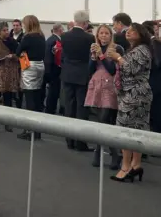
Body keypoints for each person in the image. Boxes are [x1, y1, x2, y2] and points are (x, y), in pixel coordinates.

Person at [106, 23, 152, 183]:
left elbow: (132, 69)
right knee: (137, 128)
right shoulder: (136, 49)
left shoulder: (142, 50)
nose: (128, 33)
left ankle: (126, 166)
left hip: (134, 94)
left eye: (133, 31)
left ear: (141, 34)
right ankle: (135, 165)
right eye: (128, 31)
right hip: (135, 93)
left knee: (126, 129)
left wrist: (118, 58)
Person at [85, 25, 124, 170]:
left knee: (104, 119)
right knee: (101, 121)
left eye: (106, 33)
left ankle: (108, 152)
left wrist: (101, 54)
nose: (103, 36)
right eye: (101, 33)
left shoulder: (116, 48)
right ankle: (108, 152)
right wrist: (93, 57)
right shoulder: (94, 47)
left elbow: (113, 69)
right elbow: (89, 69)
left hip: (110, 86)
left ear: (110, 35)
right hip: (97, 84)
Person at [61, 10, 95, 151]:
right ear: (86, 22)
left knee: (69, 106)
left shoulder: (64, 36)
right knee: (81, 108)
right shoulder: (89, 38)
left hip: (68, 73)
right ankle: (80, 142)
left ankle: (69, 140)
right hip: (82, 74)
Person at [16, 15, 46, 140]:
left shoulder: (27, 37)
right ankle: (37, 130)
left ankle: (29, 129)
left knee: (29, 98)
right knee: (37, 97)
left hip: (29, 67)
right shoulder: (41, 36)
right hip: (40, 65)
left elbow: (18, 51)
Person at [0, 21, 19, 132]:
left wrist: (14, 56)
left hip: (10, 72)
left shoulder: (13, 42)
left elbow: (20, 53)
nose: (7, 32)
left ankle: (7, 122)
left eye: (7, 30)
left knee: (8, 98)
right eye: (4, 30)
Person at [44, 23, 63, 115]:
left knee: (52, 91)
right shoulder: (56, 41)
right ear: (60, 30)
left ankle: (50, 109)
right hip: (54, 70)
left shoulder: (49, 39)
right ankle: (51, 110)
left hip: (49, 69)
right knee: (53, 92)